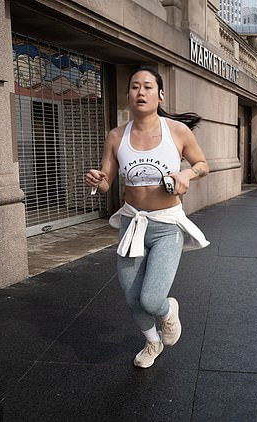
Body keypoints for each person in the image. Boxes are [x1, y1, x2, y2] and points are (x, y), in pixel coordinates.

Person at [85, 65, 210, 369]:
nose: (140, 92)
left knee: (152, 300)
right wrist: (97, 179)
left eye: (148, 87)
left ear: (160, 94)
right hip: (133, 224)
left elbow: (203, 164)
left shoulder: (176, 131)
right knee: (131, 298)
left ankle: (168, 311)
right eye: (134, 87)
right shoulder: (116, 136)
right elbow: (106, 184)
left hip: (167, 226)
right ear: (128, 94)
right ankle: (152, 341)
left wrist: (186, 173)